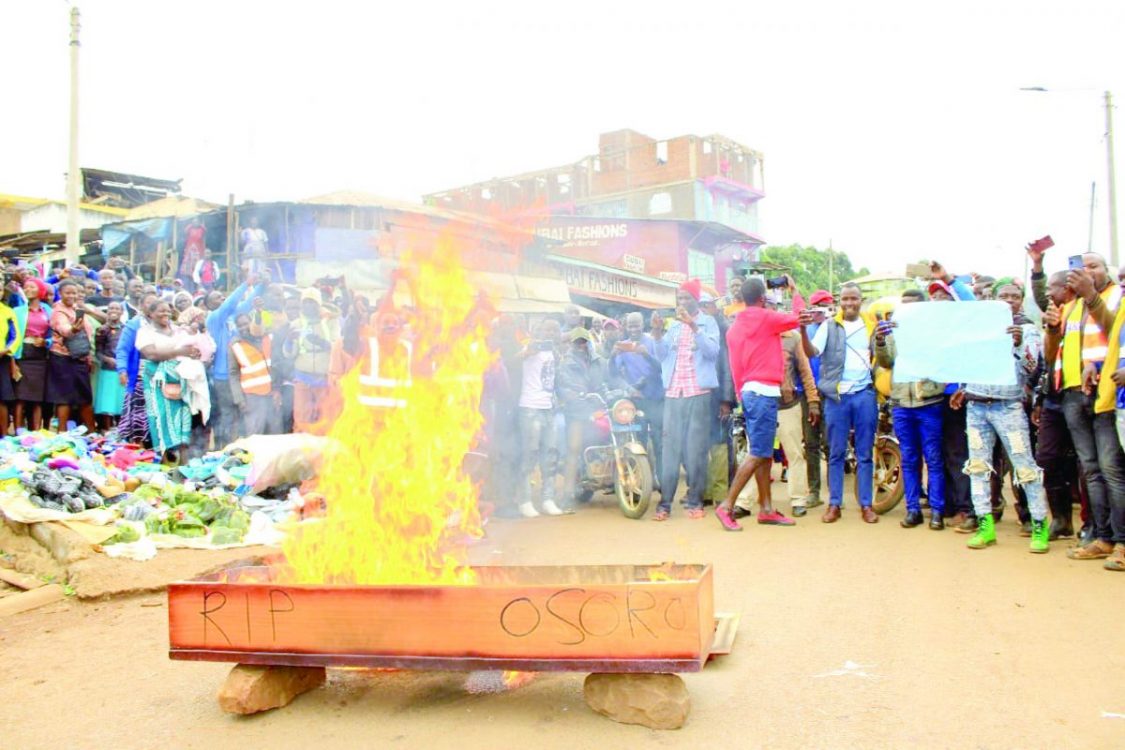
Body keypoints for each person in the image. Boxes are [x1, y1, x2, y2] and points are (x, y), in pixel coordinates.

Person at [956, 295, 1049, 552]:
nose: (1008, 301)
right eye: (1003, 296)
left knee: (1025, 466)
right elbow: (966, 360)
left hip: (1008, 406)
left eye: (1013, 296)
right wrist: (963, 387)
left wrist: (1018, 345)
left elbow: (1032, 367)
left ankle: (1039, 525)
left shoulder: (1027, 329)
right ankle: (986, 526)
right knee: (977, 467)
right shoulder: (978, 329)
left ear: (1020, 301)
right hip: (976, 406)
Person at [1048, 256, 1125, 561]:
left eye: (1094, 266)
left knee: (1112, 470)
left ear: (1106, 270)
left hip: (1104, 393)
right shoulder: (1072, 306)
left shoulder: (1116, 296)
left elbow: (1114, 333)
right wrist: (1053, 330)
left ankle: (1121, 541)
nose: (1086, 272)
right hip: (1071, 393)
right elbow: (1053, 353)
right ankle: (1102, 538)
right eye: (1081, 267)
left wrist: (1091, 294)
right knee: (1091, 471)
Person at [718, 276, 807, 530]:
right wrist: (793, 288)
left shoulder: (734, 328)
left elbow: (735, 366)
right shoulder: (766, 318)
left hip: (748, 392)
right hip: (764, 393)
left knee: (764, 451)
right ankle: (727, 506)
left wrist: (740, 394)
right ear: (762, 298)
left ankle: (766, 508)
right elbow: (798, 316)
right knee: (758, 453)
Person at [800, 282, 879, 524]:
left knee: (865, 453)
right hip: (836, 397)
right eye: (845, 299)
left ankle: (866, 504)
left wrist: (884, 342)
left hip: (865, 394)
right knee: (835, 452)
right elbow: (812, 352)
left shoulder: (871, 325)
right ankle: (835, 504)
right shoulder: (829, 325)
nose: (849, 303)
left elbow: (884, 358)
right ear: (839, 301)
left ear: (861, 300)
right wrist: (802, 331)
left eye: (853, 299)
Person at [874, 293, 947, 529]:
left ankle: (937, 511)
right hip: (902, 405)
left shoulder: (934, 333)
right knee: (909, 459)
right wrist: (881, 341)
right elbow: (886, 362)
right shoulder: (894, 331)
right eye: (904, 307)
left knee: (934, 459)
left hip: (929, 403)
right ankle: (913, 509)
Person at [652, 279, 721, 521]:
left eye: (686, 299)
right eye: (679, 299)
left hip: (697, 393)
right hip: (673, 393)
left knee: (695, 451)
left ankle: (695, 501)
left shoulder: (708, 322)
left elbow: (712, 352)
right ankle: (665, 504)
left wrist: (694, 326)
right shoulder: (672, 327)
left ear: (695, 300)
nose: (682, 303)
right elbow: (660, 357)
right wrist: (658, 334)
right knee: (669, 450)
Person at [137, 299, 202, 463]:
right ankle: (166, 461)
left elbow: (193, 347)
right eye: (161, 311)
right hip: (157, 381)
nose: (165, 314)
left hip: (180, 379)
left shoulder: (178, 330)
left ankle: (184, 462)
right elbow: (151, 354)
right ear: (150, 314)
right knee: (162, 418)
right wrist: (179, 351)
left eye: (167, 311)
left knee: (183, 418)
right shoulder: (145, 332)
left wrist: (194, 353)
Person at [207, 274, 263, 446]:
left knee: (242, 415)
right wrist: (247, 283)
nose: (222, 298)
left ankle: (238, 451)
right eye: (217, 297)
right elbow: (229, 304)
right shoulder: (215, 318)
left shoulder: (233, 317)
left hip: (241, 375)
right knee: (227, 415)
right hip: (223, 376)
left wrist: (262, 285)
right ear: (209, 304)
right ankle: (221, 449)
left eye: (222, 295)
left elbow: (248, 304)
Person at [609, 312, 665, 483]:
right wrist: (612, 357)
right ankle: (643, 480)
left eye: (637, 325)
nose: (634, 329)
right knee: (638, 441)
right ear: (626, 327)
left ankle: (663, 483)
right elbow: (613, 375)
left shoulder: (652, 342)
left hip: (656, 399)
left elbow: (662, 368)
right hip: (636, 401)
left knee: (659, 442)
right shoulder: (623, 346)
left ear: (643, 324)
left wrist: (646, 354)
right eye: (630, 325)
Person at [556, 328, 606, 510]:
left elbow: (606, 382)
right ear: (571, 343)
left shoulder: (598, 361)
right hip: (577, 411)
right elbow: (566, 386)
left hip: (598, 408)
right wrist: (579, 396)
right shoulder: (565, 363)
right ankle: (567, 494)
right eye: (577, 342)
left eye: (584, 341)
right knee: (574, 450)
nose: (581, 345)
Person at [517, 318, 562, 517]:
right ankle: (525, 500)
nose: (550, 333)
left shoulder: (555, 351)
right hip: (530, 408)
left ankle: (548, 499)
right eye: (547, 329)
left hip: (549, 409)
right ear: (539, 331)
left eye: (554, 330)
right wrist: (528, 350)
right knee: (529, 455)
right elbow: (516, 359)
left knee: (550, 456)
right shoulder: (529, 347)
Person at [286, 287, 339, 432]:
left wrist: (322, 342)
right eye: (306, 302)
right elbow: (290, 354)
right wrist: (289, 341)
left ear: (319, 304)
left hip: (324, 377)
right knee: (302, 417)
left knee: (324, 416)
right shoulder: (296, 324)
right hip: (303, 377)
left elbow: (338, 347)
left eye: (312, 302)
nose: (308, 306)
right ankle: (301, 448)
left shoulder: (331, 321)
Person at [47, 280, 95, 432]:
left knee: (85, 396)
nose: (71, 296)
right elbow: (63, 328)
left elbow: (88, 334)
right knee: (64, 396)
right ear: (60, 294)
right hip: (62, 357)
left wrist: (89, 357)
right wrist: (73, 330)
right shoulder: (58, 311)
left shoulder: (77, 309)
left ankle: (91, 431)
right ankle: (62, 431)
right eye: (67, 292)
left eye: (74, 293)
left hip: (80, 357)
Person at [116, 292, 159, 445]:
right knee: (139, 411)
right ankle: (138, 444)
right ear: (141, 305)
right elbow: (122, 349)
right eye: (149, 303)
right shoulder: (135, 324)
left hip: (160, 376)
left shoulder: (164, 324)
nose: (153, 306)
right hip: (140, 374)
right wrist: (122, 370)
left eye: (156, 303)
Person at [12, 277, 53, 431]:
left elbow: (54, 334)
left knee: (37, 398)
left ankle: (36, 431)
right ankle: (18, 431)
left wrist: (46, 342)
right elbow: (13, 335)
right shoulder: (18, 311)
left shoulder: (48, 311)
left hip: (41, 355)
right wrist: (13, 360)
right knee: (20, 397)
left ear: (40, 290)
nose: (28, 289)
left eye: (32, 287)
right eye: (26, 287)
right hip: (23, 354)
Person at [228, 313, 276, 437]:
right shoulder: (235, 345)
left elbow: (276, 364)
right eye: (239, 326)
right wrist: (240, 400)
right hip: (252, 397)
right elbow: (233, 374)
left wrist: (278, 390)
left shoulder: (267, 338)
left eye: (246, 323)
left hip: (272, 392)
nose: (243, 327)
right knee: (255, 433)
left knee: (274, 431)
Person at [93, 301, 126, 431]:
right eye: (111, 308)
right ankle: (106, 429)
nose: (114, 310)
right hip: (107, 370)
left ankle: (120, 430)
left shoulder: (126, 329)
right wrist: (108, 359)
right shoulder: (102, 330)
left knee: (120, 401)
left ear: (122, 312)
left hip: (122, 370)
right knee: (106, 401)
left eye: (117, 308)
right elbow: (98, 352)